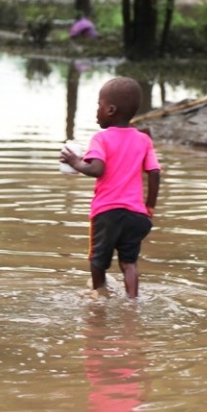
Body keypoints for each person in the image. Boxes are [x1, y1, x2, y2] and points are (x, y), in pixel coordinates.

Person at [60, 77, 161, 298]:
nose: (97, 111)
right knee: (129, 263)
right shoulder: (144, 140)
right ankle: (133, 301)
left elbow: (97, 169)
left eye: (99, 105)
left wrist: (75, 162)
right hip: (136, 215)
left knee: (97, 260)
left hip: (107, 213)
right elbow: (154, 173)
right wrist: (149, 206)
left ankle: (99, 297)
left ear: (111, 110)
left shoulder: (101, 138)